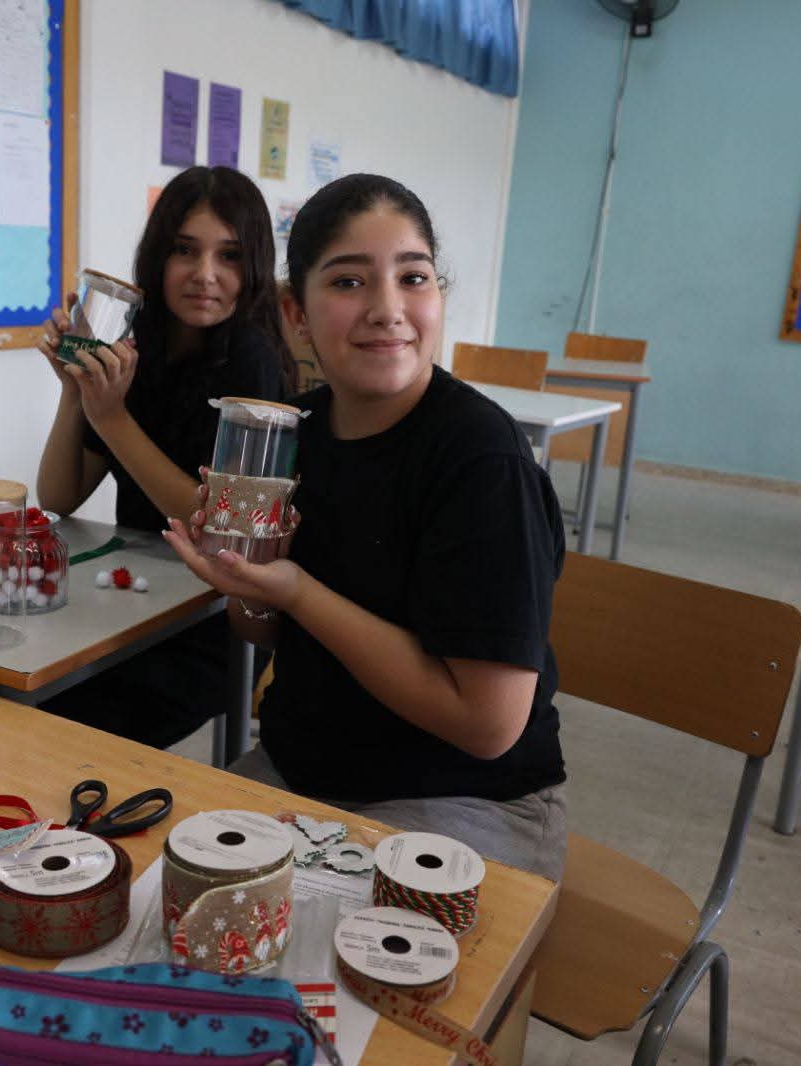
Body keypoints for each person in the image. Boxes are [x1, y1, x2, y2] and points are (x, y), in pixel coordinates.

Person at [164, 174, 567, 880]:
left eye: (413, 277)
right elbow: (264, 632)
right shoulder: (299, 432)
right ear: (295, 313)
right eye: (349, 282)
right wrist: (248, 582)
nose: (387, 309)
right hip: (303, 773)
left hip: (462, 798)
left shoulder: (480, 459)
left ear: (439, 296)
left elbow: (489, 725)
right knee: (168, 892)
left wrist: (297, 591)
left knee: (308, 938)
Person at [34, 165, 293, 748]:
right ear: (157, 256)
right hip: (127, 601)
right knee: (22, 692)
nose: (205, 274)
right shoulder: (136, 343)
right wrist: (76, 388)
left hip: (213, 620)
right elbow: (58, 496)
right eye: (184, 250)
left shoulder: (253, 361)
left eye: (229, 256)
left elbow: (223, 534)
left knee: (67, 727)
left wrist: (112, 417)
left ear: (253, 266)